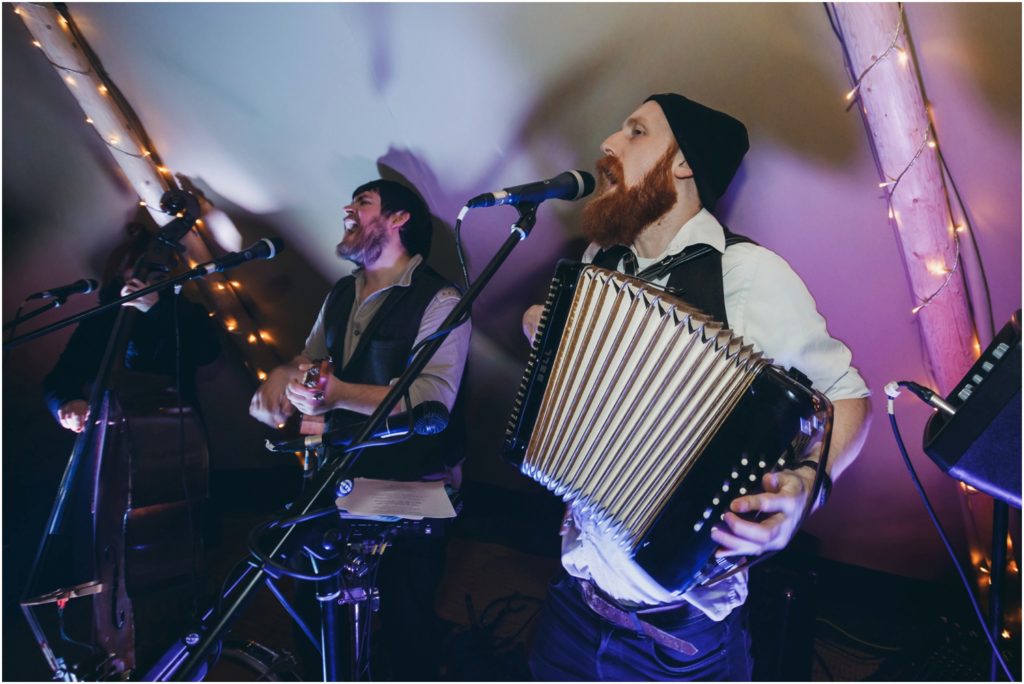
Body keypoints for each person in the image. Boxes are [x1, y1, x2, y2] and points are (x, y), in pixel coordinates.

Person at [522, 93, 872, 681]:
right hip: (574, 603)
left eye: (635, 131)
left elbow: (847, 397)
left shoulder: (749, 274)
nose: (608, 142)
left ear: (682, 164)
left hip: (678, 637)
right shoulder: (599, 261)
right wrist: (547, 325)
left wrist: (809, 486)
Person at [249, 178, 471, 680]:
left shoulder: (441, 298)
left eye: (363, 202)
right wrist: (284, 378)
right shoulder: (341, 291)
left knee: (403, 621)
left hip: (411, 484)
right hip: (340, 476)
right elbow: (311, 360)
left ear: (398, 219)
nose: (347, 209)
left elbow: (434, 397)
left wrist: (340, 394)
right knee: (316, 607)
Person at [43, 223, 221, 430]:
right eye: (134, 265)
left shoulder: (185, 311)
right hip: (108, 431)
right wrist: (66, 404)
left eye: (153, 268)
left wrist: (156, 310)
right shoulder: (100, 319)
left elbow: (207, 352)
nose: (142, 273)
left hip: (169, 430)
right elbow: (59, 378)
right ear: (120, 271)